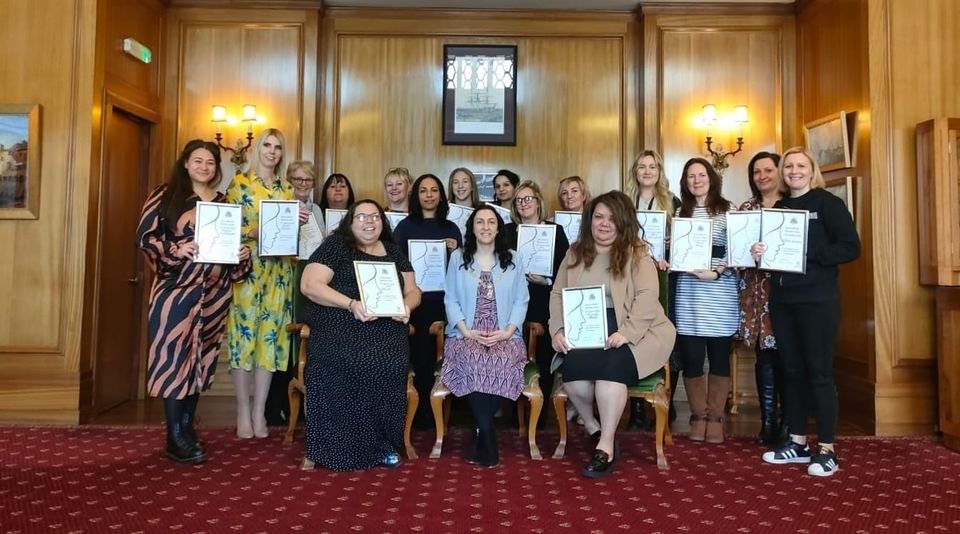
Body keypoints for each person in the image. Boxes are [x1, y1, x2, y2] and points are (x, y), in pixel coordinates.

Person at [137, 139, 252, 463]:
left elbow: (234, 250)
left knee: (200, 362)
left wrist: (242, 253)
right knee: (175, 362)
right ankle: (174, 436)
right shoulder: (166, 194)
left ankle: (187, 429)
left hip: (214, 296)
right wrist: (177, 249)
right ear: (186, 163)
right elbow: (145, 238)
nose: (204, 167)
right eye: (198, 161)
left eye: (210, 163)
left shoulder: (224, 201)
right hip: (176, 292)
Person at [549, 191, 676, 478]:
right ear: (590, 220)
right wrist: (557, 328)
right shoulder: (575, 251)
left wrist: (626, 333)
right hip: (585, 329)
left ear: (623, 222)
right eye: (598, 217)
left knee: (609, 374)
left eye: (611, 218)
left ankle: (605, 446)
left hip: (634, 330)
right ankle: (594, 428)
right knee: (574, 377)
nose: (604, 224)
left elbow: (647, 296)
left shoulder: (637, 252)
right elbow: (557, 294)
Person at [757, 146, 860, 477]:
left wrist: (809, 250)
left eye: (801, 165)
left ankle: (827, 449)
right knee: (792, 372)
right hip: (784, 300)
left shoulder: (829, 204)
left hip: (818, 300)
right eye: (789, 166)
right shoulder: (780, 207)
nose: (794, 171)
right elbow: (772, 253)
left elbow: (850, 247)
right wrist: (759, 251)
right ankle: (798, 443)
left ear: (812, 169)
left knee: (819, 373)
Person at [299, 200, 422, 471]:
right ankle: (341, 447)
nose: (369, 222)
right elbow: (309, 285)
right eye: (362, 217)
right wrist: (351, 304)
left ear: (383, 221)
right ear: (350, 222)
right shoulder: (336, 247)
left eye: (375, 217)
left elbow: (414, 290)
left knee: (389, 365)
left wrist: (406, 306)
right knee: (352, 363)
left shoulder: (393, 251)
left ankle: (383, 445)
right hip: (340, 324)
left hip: (386, 329)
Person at [225, 128, 303, 439]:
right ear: (258, 149)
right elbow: (229, 228)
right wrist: (258, 231)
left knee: (269, 344)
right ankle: (243, 411)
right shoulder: (240, 184)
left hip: (279, 273)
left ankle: (260, 413)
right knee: (244, 342)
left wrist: (297, 222)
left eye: (278, 147)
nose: (272, 151)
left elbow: (287, 236)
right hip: (248, 271)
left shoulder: (286, 189)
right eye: (267, 145)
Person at [440, 206, 530, 467]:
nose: (486, 227)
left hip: (505, 333)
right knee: (474, 358)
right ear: (472, 227)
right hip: (466, 332)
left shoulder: (514, 258)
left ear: (499, 228)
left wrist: (508, 331)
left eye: (491, 222)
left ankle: (481, 430)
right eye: (480, 222)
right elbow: (451, 298)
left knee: (500, 361)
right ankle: (487, 431)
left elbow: (521, 300)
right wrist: (467, 331)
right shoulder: (458, 257)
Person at [672, 157, 739, 444]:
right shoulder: (680, 212)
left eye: (701, 175)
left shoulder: (728, 210)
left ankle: (717, 417)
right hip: (689, 295)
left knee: (720, 358)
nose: (696, 180)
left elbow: (737, 251)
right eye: (690, 176)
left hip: (720, 294)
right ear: (685, 182)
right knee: (692, 358)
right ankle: (698, 416)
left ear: (711, 178)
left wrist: (717, 271)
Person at [393, 174, 463, 429]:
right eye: (423, 191)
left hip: (445, 303)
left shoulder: (451, 228)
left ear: (441, 195)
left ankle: (443, 414)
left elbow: (463, 269)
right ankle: (418, 413)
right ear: (417, 195)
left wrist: (456, 250)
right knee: (419, 357)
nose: (429, 195)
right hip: (414, 302)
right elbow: (396, 265)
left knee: (443, 359)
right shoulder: (404, 227)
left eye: (434, 190)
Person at [628, 150, 682, 429]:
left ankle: (666, 402)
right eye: (642, 167)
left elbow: (685, 243)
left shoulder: (673, 202)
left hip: (662, 277)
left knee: (662, 335)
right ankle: (636, 409)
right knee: (636, 336)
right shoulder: (625, 202)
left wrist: (670, 252)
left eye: (653, 167)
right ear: (634, 171)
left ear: (660, 171)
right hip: (631, 278)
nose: (647, 171)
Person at [503, 180, 569, 408]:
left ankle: (538, 412)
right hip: (512, 302)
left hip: (544, 300)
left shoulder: (555, 232)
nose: (524, 203)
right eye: (519, 200)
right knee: (511, 354)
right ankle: (512, 407)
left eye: (528, 198)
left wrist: (546, 280)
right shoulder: (508, 232)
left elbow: (566, 272)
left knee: (542, 356)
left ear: (538, 201)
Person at [738, 151, 786, 446]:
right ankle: (767, 421)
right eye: (757, 172)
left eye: (768, 170)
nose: (762, 176)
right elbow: (737, 250)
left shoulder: (792, 205)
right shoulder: (747, 207)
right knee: (763, 358)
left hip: (783, 291)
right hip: (754, 293)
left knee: (786, 359)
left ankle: (786, 421)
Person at [288, 160, 326, 238]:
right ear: (290, 181)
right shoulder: (283, 207)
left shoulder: (316, 209)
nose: (304, 184)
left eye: (308, 180)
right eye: (299, 179)